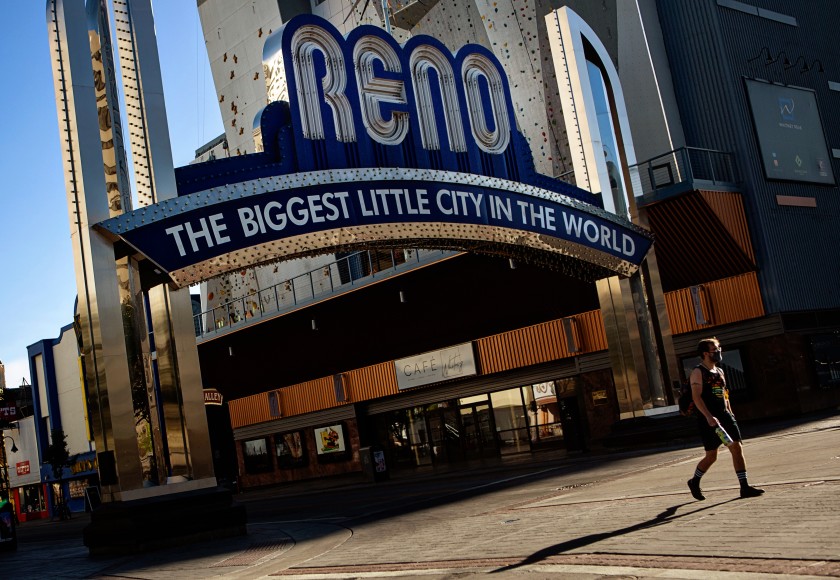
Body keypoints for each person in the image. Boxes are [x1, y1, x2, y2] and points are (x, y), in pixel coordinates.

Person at [686, 337, 764, 500]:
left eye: (719, 348)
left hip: (725, 417)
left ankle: (744, 487)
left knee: (736, 447)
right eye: (715, 349)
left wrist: (730, 411)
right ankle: (694, 481)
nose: (719, 352)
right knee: (711, 456)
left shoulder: (720, 371)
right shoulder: (698, 372)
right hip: (709, 420)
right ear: (706, 353)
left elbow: (724, 393)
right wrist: (708, 417)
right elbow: (696, 397)